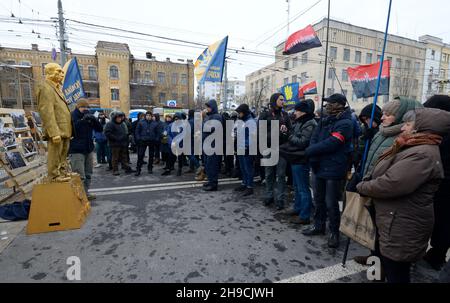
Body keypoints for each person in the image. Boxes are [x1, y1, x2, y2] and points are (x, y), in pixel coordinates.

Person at [357, 107, 450, 283]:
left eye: (407, 124)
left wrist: (364, 186)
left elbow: (391, 184)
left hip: (402, 222)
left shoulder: (423, 154)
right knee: (381, 254)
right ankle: (376, 277)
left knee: (396, 271)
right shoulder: (410, 144)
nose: (402, 128)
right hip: (391, 216)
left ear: (421, 129)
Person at [351, 97, 423, 265]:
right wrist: (365, 137)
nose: (382, 117)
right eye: (383, 113)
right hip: (371, 188)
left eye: (388, 114)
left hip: (385, 193)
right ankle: (374, 257)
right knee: (374, 228)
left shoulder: (405, 138)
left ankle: (383, 265)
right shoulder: (383, 132)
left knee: (385, 233)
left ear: (402, 117)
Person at [302, 94, 353, 248]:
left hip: (334, 167)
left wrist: (311, 150)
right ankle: (319, 226)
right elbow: (315, 137)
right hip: (319, 166)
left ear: (339, 104)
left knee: (331, 203)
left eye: (330, 103)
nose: (327, 106)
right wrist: (313, 150)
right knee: (318, 199)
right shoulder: (324, 120)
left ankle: (334, 233)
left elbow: (333, 143)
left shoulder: (346, 123)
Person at [422, 95, 450, 271]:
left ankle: (437, 255)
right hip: (438, 183)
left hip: (444, 185)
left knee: (443, 221)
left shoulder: (444, 136)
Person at [280, 100, 317, 225]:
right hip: (295, 158)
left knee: (302, 188)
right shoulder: (301, 121)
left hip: (302, 159)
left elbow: (302, 142)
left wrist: (289, 134)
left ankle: (304, 215)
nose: (294, 112)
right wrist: (287, 132)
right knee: (297, 186)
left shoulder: (310, 123)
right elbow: (295, 136)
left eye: (296, 110)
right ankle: (297, 208)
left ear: (302, 112)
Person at [258, 93, 292, 210]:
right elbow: (260, 133)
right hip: (268, 149)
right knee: (268, 174)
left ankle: (280, 200)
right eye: (281, 99)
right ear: (274, 100)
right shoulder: (265, 115)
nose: (283, 101)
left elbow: (290, 133)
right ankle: (269, 196)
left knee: (281, 175)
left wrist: (285, 132)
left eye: (284, 99)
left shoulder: (285, 115)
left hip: (282, 149)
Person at [68, 100, 103, 199]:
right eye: (83, 107)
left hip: (88, 148)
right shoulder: (72, 116)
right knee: (79, 175)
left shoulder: (88, 115)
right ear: (78, 107)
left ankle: (85, 194)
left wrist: (94, 119)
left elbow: (100, 129)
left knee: (88, 173)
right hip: (76, 150)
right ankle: (79, 197)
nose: (85, 109)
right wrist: (83, 120)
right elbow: (72, 131)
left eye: (87, 107)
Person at [233, 104, 256, 196]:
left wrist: (247, 146)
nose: (239, 114)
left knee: (248, 168)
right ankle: (244, 183)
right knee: (243, 167)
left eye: (240, 113)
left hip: (247, 149)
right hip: (241, 148)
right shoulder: (243, 121)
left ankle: (249, 186)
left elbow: (252, 136)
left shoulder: (250, 122)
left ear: (245, 112)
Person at [104, 111, 135, 176]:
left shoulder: (121, 124)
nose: (119, 119)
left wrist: (125, 138)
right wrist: (116, 138)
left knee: (124, 157)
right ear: (115, 118)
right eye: (118, 118)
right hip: (115, 144)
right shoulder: (110, 124)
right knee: (115, 158)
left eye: (120, 118)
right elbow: (107, 133)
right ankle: (115, 170)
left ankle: (127, 168)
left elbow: (125, 132)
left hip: (122, 143)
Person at [203, 100, 223, 191]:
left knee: (213, 165)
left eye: (209, 107)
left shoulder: (217, 117)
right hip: (207, 144)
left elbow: (211, 128)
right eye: (207, 107)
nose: (207, 109)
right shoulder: (209, 116)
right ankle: (210, 181)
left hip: (214, 145)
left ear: (213, 107)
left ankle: (213, 184)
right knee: (208, 164)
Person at [134, 111, 158, 176]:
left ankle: (150, 168)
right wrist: (138, 139)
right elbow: (137, 131)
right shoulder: (141, 122)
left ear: (151, 116)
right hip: (143, 141)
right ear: (145, 116)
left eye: (149, 115)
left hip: (151, 141)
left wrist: (156, 139)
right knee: (140, 155)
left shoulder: (155, 123)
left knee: (151, 156)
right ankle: (138, 169)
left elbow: (157, 133)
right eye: (147, 115)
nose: (148, 117)